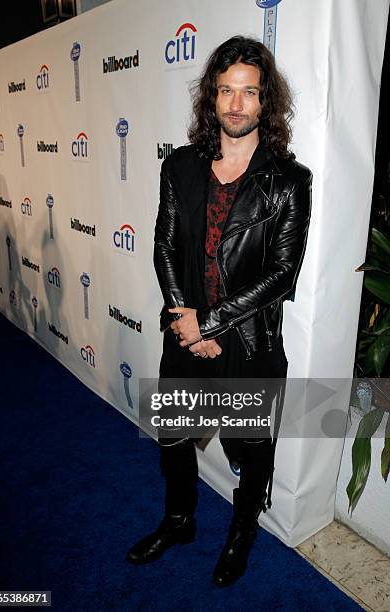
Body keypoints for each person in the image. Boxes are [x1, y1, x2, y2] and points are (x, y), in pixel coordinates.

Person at [127, 35, 312, 586]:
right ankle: (180, 521)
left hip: (248, 339)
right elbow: (163, 246)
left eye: (248, 93)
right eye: (225, 91)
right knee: (177, 439)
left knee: (253, 447)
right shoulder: (180, 166)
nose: (235, 104)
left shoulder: (289, 181)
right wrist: (186, 319)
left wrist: (211, 323)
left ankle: (242, 531)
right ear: (211, 98)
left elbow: (283, 274)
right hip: (185, 330)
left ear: (264, 102)